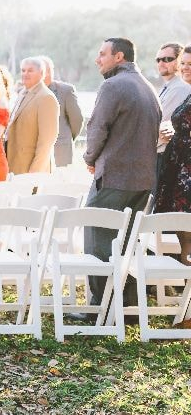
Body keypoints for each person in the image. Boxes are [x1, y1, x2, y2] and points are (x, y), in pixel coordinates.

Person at [83, 38, 161, 311]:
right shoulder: (148, 87)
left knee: (99, 238)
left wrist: (89, 158)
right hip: (142, 180)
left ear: (119, 56)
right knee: (127, 241)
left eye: (102, 54)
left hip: (115, 177)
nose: (98, 59)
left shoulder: (112, 85)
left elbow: (97, 128)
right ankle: (126, 306)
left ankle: (102, 307)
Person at [156, 45, 191, 264]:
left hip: (188, 171)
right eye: (184, 63)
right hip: (178, 168)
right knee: (183, 233)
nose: (186, 68)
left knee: (188, 232)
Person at [4, 57, 60, 175]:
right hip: (14, 165)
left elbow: (47, 140)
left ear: (41, 73)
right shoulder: (22, 93)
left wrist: (35, 171)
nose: (25, 74)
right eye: (23, 70)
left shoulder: (46, 98)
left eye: (30, 70)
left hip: (31, 169)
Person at [155, 42, 191, 181]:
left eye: (167, 59)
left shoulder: (181, 89)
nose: (185, 68)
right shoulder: (185, 92)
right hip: (176, 160)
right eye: (183, 63)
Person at [41, 56, 83, 168]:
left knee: (61, 183)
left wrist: (67, 137)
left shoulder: (66, 90)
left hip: (60, 150)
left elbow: (77, 120)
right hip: (36, 152)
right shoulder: (28, 92)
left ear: (48, 71)